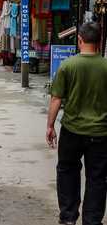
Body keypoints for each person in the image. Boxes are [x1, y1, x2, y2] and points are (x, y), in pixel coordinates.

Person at [46, 22, 107, 225]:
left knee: (67, 171)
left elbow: (56, 98)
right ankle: (92, 221)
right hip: (101, 134)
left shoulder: (68, 65)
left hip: (72, 130)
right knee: (97, 178)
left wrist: (50, 126)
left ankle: (69, 217)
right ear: (99, 42)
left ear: (79, 40)